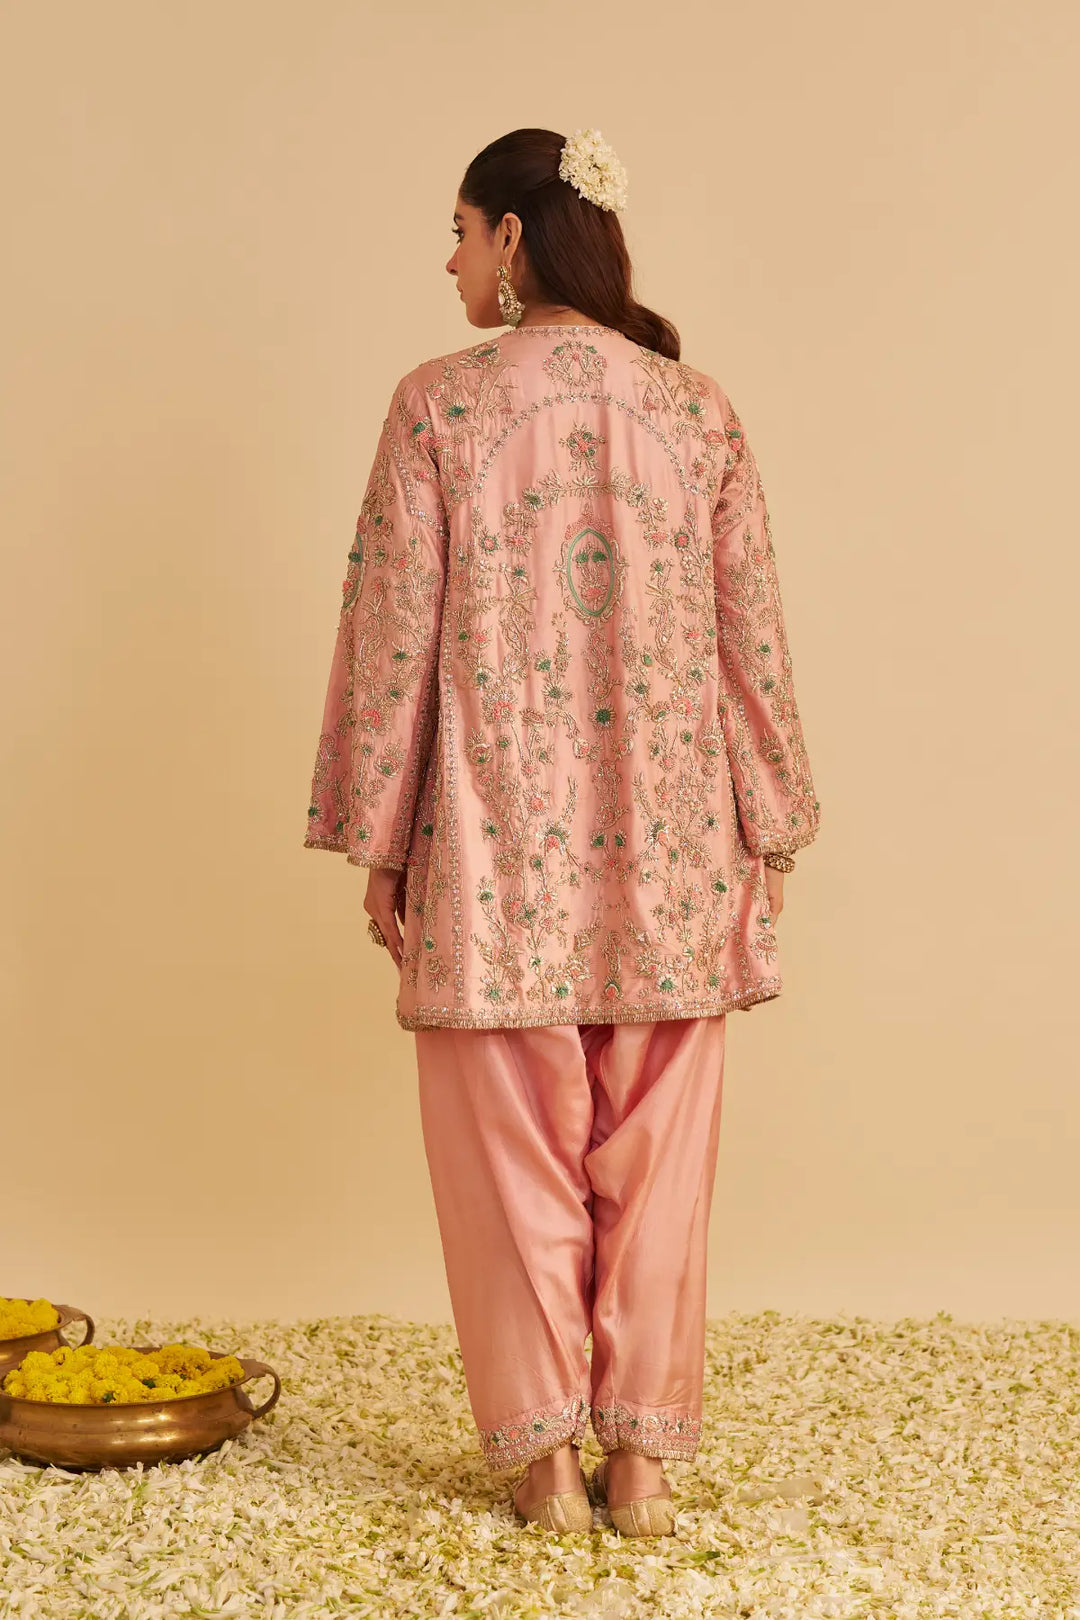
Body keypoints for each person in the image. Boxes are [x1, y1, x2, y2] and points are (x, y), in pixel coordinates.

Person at [303, 126, 822, 1538]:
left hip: (496, 840)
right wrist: (766, 822)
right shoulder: (700, 409)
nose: (452, 257)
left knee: (509, 1158)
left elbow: (390, 632)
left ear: (516, 238)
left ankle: (546, 1476)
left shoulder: (436, 405)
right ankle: (644, 1472)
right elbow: (749, 638)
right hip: (673, 835)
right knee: (662, 1158)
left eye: (462, 229)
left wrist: (383, 832)